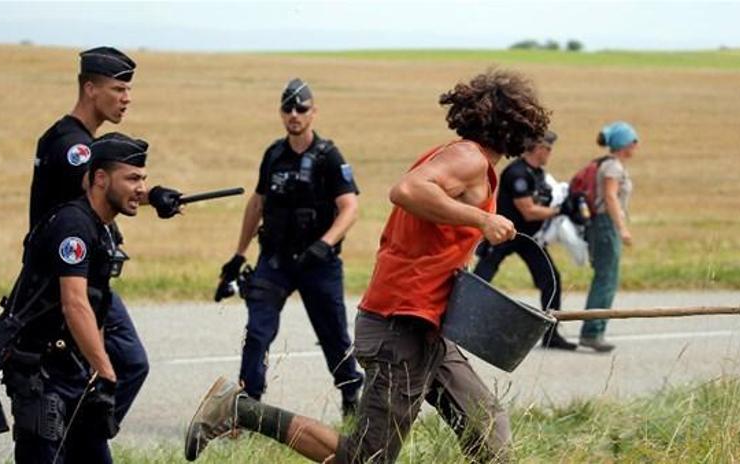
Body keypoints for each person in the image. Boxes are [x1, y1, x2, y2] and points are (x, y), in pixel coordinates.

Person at [186, 69, 550, 463]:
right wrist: (482, 220)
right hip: (399, 325)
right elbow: (406, 190)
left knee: (487, 425)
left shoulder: (467, 160)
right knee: (367, 458)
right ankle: (238, 410)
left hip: (427, 323)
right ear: (513, 124)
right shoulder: (468, 159)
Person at [27, 46, 181, 426]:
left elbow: (104, 191)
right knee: (126, 363)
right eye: (118, 89)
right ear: (90, 89)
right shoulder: (73, 147)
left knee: (112, 368)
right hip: (63, 281)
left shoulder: (71, 139)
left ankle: (83, 437)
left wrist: (151, 196)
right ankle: (83, 436)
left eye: (129, 90)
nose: (126, 99)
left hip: (79, 274)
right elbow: (101, 188)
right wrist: (150, 195)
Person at [214, 78, 363, 415]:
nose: (294, 114)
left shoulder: (328, 156)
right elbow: (257, 204)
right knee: (257, 333)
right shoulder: (274, 154)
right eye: (288, 108)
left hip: (318, 263)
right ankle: (248, 406)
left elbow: (350, 206)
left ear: (313, 113)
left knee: (334, 336)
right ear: (281, 113)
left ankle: (351, 395)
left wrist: (325, 244)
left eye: (301, 108)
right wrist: (238, 256)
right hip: (275, 261)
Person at [5, 133, 153, 463]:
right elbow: (74, 304)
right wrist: (106, 373)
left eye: (143, 179)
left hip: (73, 372)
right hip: (42, 377)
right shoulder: (73, 226)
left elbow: (95, 305)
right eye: (132, 178)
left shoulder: (102, 230)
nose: (142, 189)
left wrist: (92, 372)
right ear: (100, 179)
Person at [473, 130, 578, 350]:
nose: (550, 153)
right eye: (548, 149)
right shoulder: (517, 173)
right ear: (538, 148)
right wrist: (559, 211)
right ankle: (463, 322)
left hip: (529, 238)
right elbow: (528, 211)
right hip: (505, 233)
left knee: (551, 280)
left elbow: (546, 199)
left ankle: (552, 334)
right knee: (480, 281)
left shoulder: (539, 173)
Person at [579, 121, 639, 352]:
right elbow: (611, 198)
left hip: (602, 224)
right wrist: (621, 228)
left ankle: (594, 330)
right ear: (625, 144)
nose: (636, 146)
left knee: (605, 278)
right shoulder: (613, 167)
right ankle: (593, 332)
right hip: (606, 225)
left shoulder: (609, 164)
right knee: (606, 279)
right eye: (634, 141)